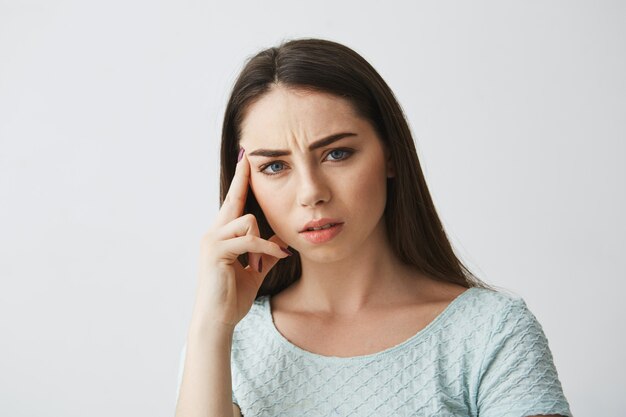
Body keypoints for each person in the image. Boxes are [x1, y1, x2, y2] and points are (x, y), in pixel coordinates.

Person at [174, 38, 572, 417]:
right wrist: (212, 325)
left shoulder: (490, 332)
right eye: (274, 166)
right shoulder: (227, 342)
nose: (311, 193)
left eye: (337, 153)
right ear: (248, 185)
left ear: (391, 155)